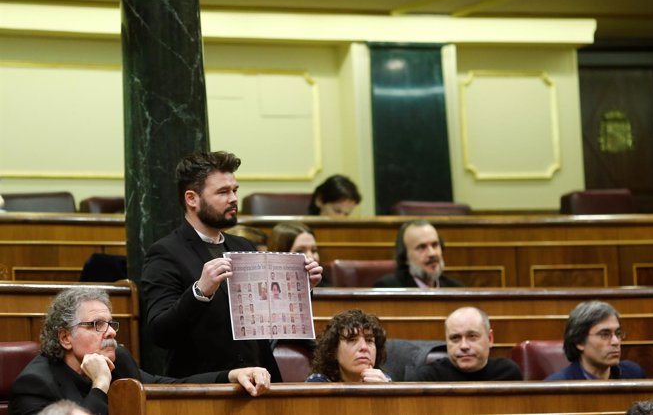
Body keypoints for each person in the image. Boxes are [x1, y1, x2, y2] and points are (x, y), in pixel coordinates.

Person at [141, 151, 322, 379]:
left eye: (235, 190)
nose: (234, 199)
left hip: (261, 379)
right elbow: (160, 334)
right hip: (208, 387)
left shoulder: (244, 245)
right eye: (223, 192)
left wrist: (301, 289)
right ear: (192, 199)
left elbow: (273, 321)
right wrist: (199, 292)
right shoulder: (166, 252)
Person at [9, 288, 270, 415]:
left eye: (111, 324)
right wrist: (100, 385)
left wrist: (231, 375)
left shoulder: (118, 358)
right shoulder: (35, 385)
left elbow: (166, 387)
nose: (110, 332)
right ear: (65, 337)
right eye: (97, 325)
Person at [405, 306, 522, 381]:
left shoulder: (508, 373)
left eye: (472, 336)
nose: (464, 346)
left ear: (490, 339)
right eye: (455, 338)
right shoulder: (429, 378)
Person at [544, 300, 646, 380]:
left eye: (618, 333)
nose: (615, 342)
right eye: (605, 334)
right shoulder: (558, 387)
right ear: (579, 341)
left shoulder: (634, 374)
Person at [306, 309, 391, 383]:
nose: (364, 347)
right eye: (352, 340)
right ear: (333, 350)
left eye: (369, 340)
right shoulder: (317, 384)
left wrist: (386, 394)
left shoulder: (383, 380)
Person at [373, 220, 462, 288]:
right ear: (405, 257)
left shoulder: (456, 288)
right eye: (422, 247)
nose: (432, 253)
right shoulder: (389, 288)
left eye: (435, 245)